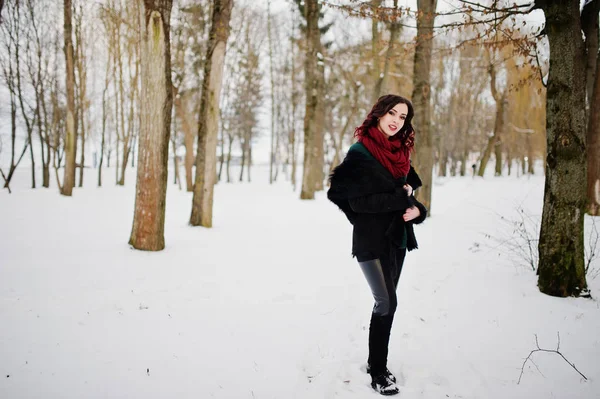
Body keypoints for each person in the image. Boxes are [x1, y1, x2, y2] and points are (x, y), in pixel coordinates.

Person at [327, 94, 427, 396]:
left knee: (386, 304)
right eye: (392, 113)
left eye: (402, 116)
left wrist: (419, 210)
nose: (396, 120)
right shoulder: (361, 153)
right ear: (379, 114)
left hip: (397, 238)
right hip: (371, 241)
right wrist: (400, 198)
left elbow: (408, 195)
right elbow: (357, 202)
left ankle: (376, 363)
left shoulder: (400, 154)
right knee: (387, 302)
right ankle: (378, 371)